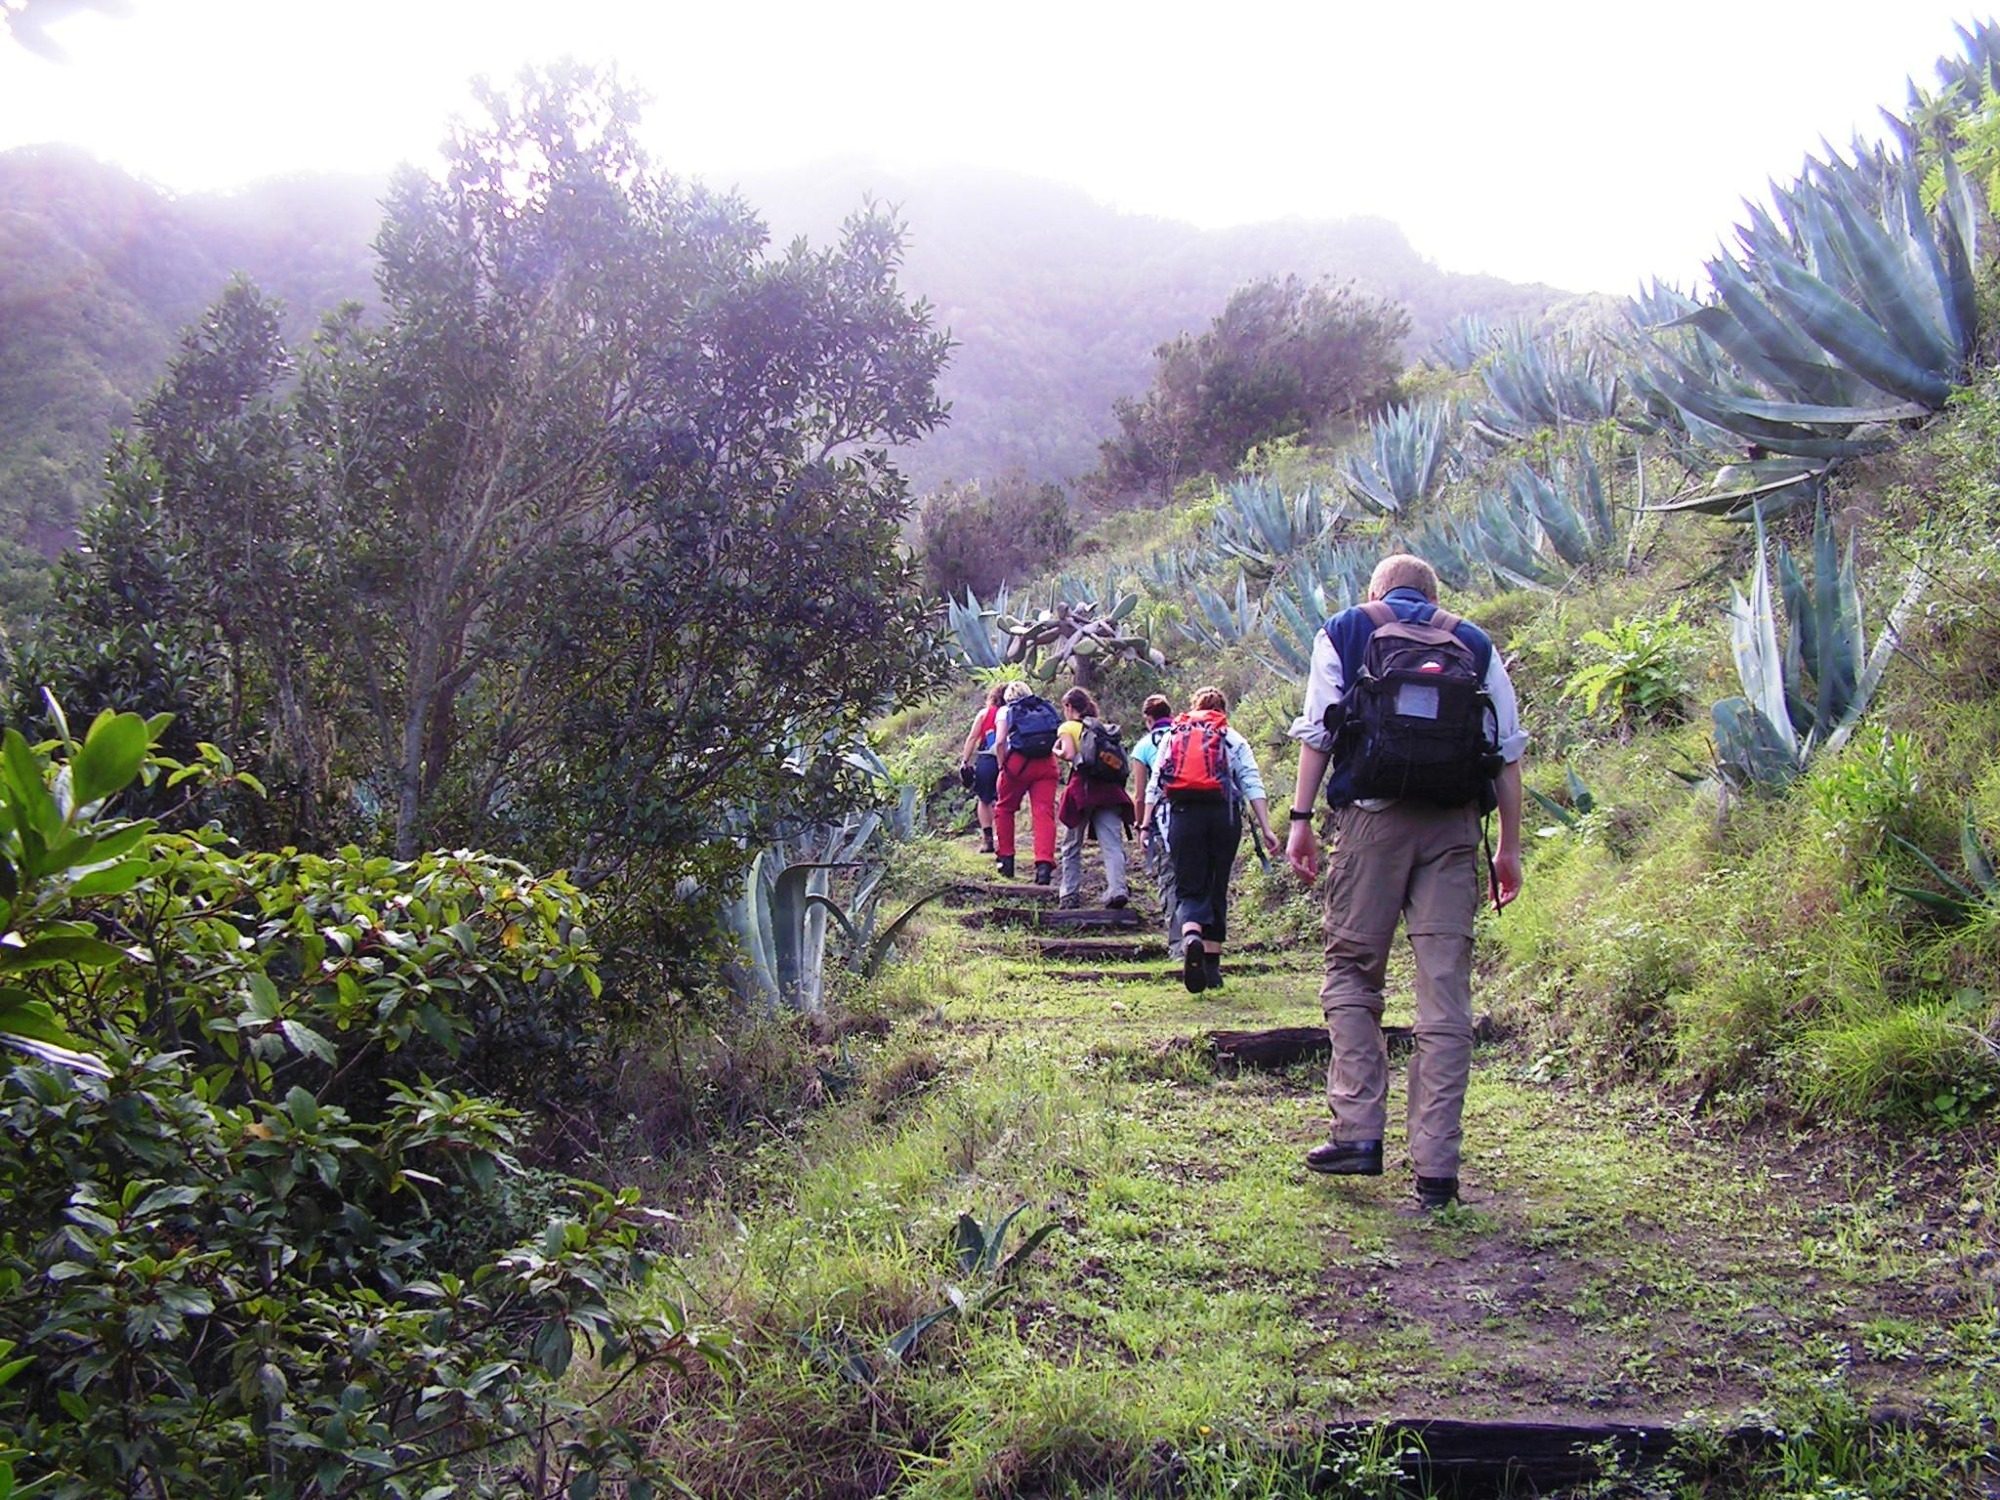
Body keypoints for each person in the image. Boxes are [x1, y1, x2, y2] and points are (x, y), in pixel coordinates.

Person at [1284, 552, 1526, 1212]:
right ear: (1433, 592)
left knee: (1353, 972)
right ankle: (1437, 1170)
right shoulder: (1474, 641)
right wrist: (1508, 846)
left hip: (1372, 823)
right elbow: (1505, 749)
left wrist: (1301, 820)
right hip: (1452, 830)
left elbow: (1318, 731)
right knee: (1444, 992)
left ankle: (1358, 1133)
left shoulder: (1345, 628)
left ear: (1377, 591)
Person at [1146, 686, 1276, 994]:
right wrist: (1267, 828)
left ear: (1193, 707)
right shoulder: (1231, 737)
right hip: (1222, 815)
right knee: (1217, 882)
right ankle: (1213, 969)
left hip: (1183, 814)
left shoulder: (1174, 734)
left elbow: (1155, 783)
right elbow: (1251, 782)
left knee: (1189, 884)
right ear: (1223, 711)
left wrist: (1144, 823)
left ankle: (1191, 935)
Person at [1053, 686, 1134, 910]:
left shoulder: (1067, 727)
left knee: (1071, 844)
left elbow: (1069, 754)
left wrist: (1056, 751)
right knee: (1112, 844)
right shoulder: (1099, 727)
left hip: (1082, 790)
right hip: (1109, 791)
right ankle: (1117, 889)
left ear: (1069, 707)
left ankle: (1069, 894)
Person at [1128, 693, 1181, 958]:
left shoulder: (1143, 746)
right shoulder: (1186, 734)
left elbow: (1140, 793)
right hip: (1194, 813)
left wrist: (1141, 826)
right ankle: (1204, 939)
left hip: (1161, 819)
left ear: (1148, 719)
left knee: (1168, 878)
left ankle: (1178, 946)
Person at [992, 680, 1059, 884]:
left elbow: (1001, 741)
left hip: (1018, 763)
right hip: (1046, 762)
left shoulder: (1005, 711)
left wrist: (1002, 764)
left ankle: (1006, 860)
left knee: (1005, 809)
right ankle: (1044, 866)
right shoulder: (1043, 707)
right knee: (1043, 813)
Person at [959, 682, 1009, 854]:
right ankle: (1005, 839)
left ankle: (988, 840)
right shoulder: (1014, 713)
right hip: (1011, 760)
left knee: (984, 799)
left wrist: (965, 761)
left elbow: (972, 738)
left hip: (988, 759)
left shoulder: (985, 714)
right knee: (1005, 800)